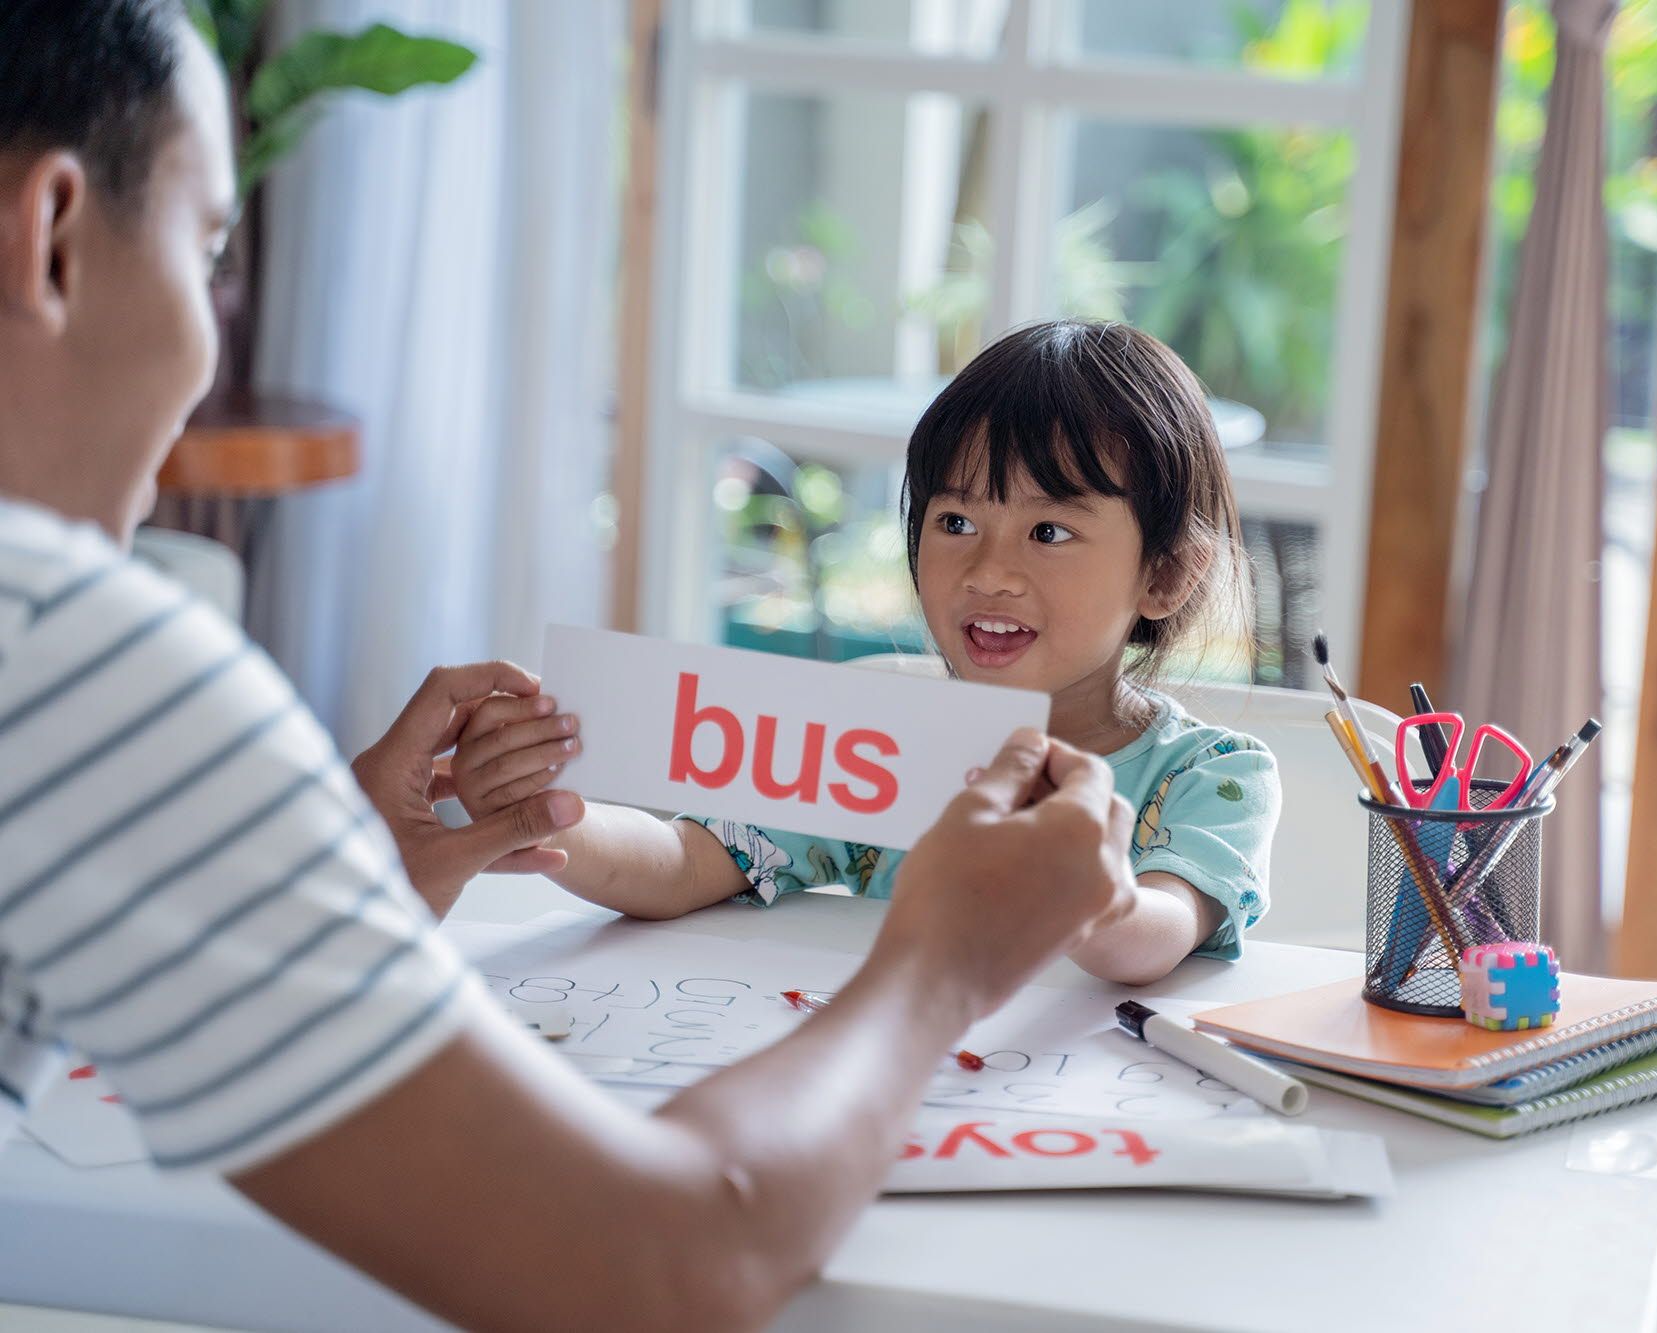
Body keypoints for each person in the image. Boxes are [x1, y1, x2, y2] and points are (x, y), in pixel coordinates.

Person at [0, 4, 1136, 1329]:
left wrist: (335, 872)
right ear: (56, 236)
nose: (208, 342)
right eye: (206, 251)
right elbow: (653, 1266)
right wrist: (942, 964)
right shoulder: (69, 651)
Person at [455, 320, 1281, 987]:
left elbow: (1158, 935)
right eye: (955, 522)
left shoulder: (1213, 776)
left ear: (1166, 574)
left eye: (1050, 531)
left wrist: (1094, 901)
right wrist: (556, 815)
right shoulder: (879, 743)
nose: (990, 572)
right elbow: (684, 862)